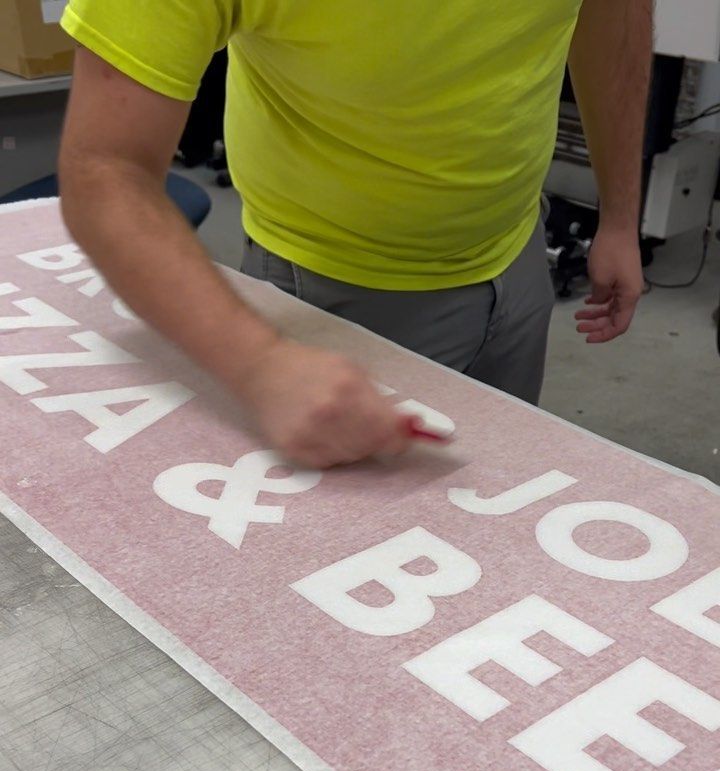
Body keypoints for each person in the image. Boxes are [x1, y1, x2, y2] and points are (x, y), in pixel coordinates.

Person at [58, 0, 650, 468]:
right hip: (331, 286)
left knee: (500, 501)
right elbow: (106, 170)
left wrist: (621, 214)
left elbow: (612, 15)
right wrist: (259, 363)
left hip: (517, 252)